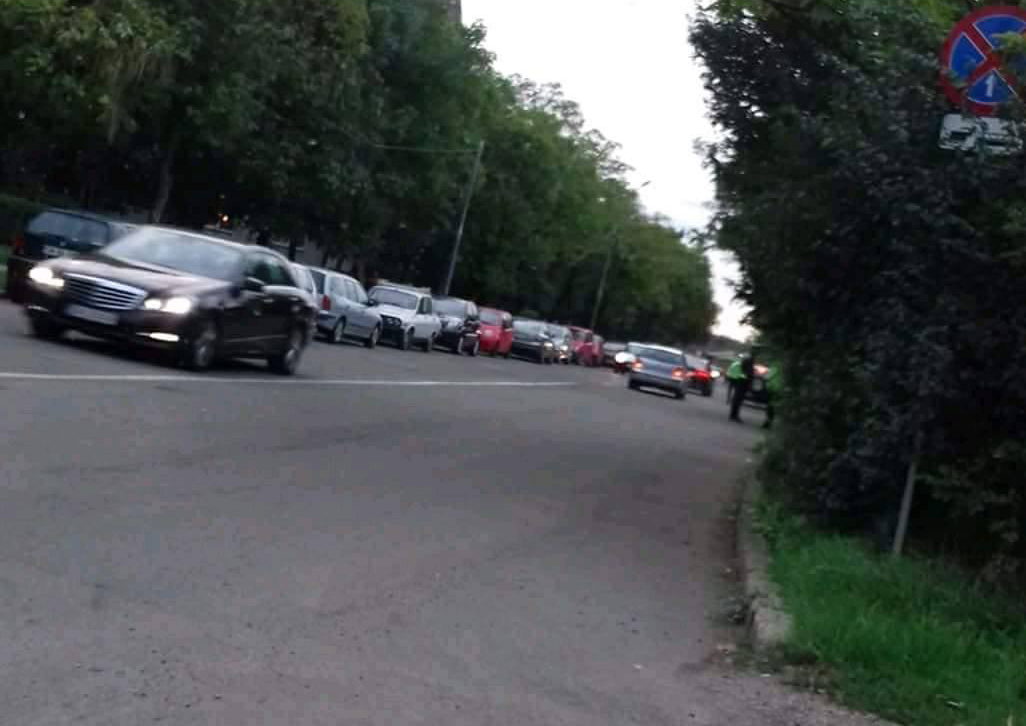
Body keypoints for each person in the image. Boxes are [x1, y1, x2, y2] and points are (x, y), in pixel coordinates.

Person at [729, 351, 756, 423]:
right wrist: (750, 379)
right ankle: (734, 415)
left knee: (737, 399)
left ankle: (733, 414)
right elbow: (748, 373)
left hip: (740, 381)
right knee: (738, 400)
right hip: (743, 382)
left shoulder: (743, 361)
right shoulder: (748, 362)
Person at [763, 364, 781, 429]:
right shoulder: (783, 370)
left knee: (770, 406)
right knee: (773, 406)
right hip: (779, 389)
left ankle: (768, 422)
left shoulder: (775, 368)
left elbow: (767, 377)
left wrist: (765, 376)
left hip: (772, 389)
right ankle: (769, 421)